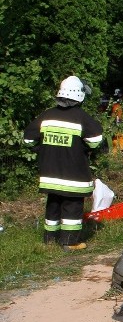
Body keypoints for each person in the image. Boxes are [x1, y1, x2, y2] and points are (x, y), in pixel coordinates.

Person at [23, 76, 103, 251]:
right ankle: (69, 242)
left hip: (49, 175)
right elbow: (96, 141)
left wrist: (43, 149)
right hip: (73, 176)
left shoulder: (47, 115)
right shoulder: (81, 117)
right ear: (80, 96)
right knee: (72, 208)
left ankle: (49, 240)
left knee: (53, 205)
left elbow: (28, 140)